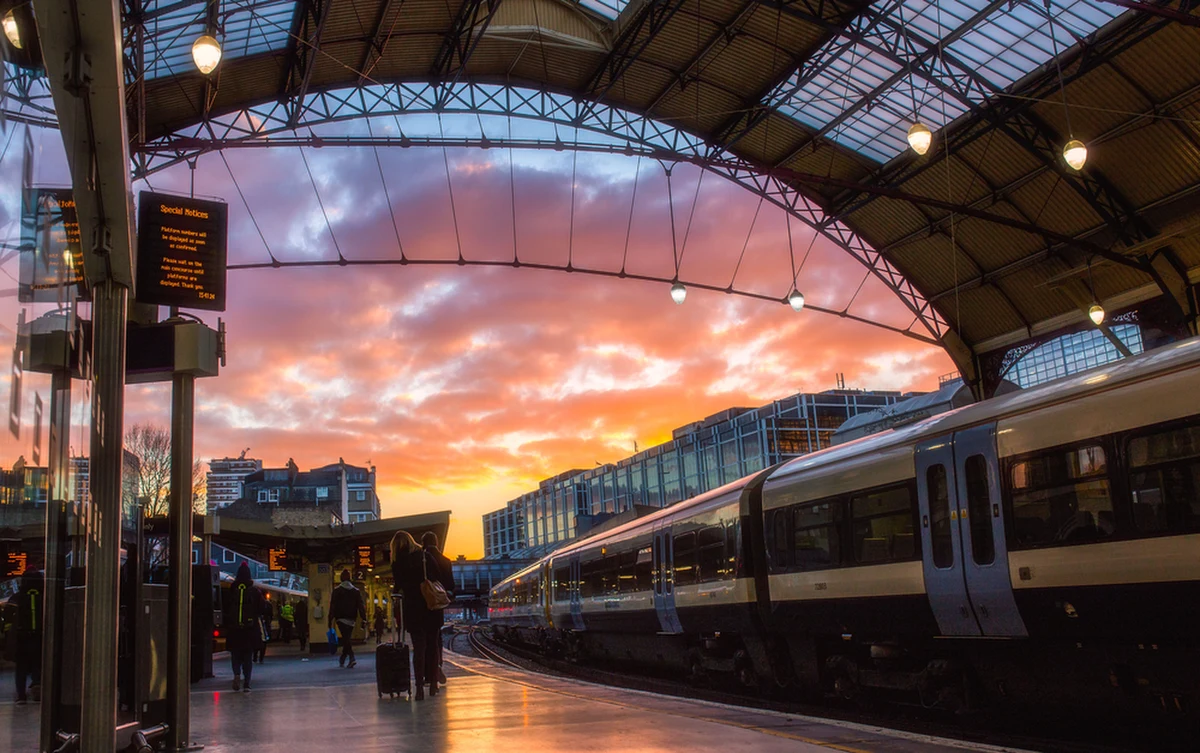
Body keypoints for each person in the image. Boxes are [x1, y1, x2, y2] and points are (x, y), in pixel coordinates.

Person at [390, 530, 450, 700]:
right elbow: (437, 577)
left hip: (413, 609)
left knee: (419, 649)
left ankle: (418, 689)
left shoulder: (398, 562)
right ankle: (433, 684)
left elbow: (398, 585)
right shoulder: (424, 556)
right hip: (431, 607)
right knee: (432, 648)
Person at [221, 563, 264, 693]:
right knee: (247, 657)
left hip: (234, 630)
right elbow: (262, 608)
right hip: (249, 630)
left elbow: (225, 608)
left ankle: (236, 674)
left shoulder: (231, 589)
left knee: (235, 655)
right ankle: (246, 683)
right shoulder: (255, 591)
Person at [422, 531, 455, 686]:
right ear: (436, 541)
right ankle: (438, 665)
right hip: (438, 605)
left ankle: (427, 673)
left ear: (423, 543)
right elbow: (451, 586)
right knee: (436, 638)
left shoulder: (420, 559)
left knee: (424, 640)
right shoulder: (445, 561)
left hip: (422, 604)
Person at [12, 569, 44, 704]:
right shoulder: (45, 597)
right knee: (38, 663)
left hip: (22, 637)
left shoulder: (17, 598)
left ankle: (21, 695)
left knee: (21, 667)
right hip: (40, 636)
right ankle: (37, 687)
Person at [328, 570, 365, 668]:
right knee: (346, 638)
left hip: (340, 618)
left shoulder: (336, 591)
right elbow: (361, 606)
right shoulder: (356, 591)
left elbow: (332, 606)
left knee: (346, 638)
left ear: (341, 579)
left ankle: (351, 657)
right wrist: (363, 618)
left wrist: (330, 619)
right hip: (352, 618)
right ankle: (343, 658)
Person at [254, 591, 272, 663]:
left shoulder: (255, 603)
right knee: (263, 642)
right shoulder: (268, 604)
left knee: (256, 641)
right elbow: (271, 615)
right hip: (265, 624)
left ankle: (255, 656)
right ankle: (261, 658)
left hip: (257, 623)